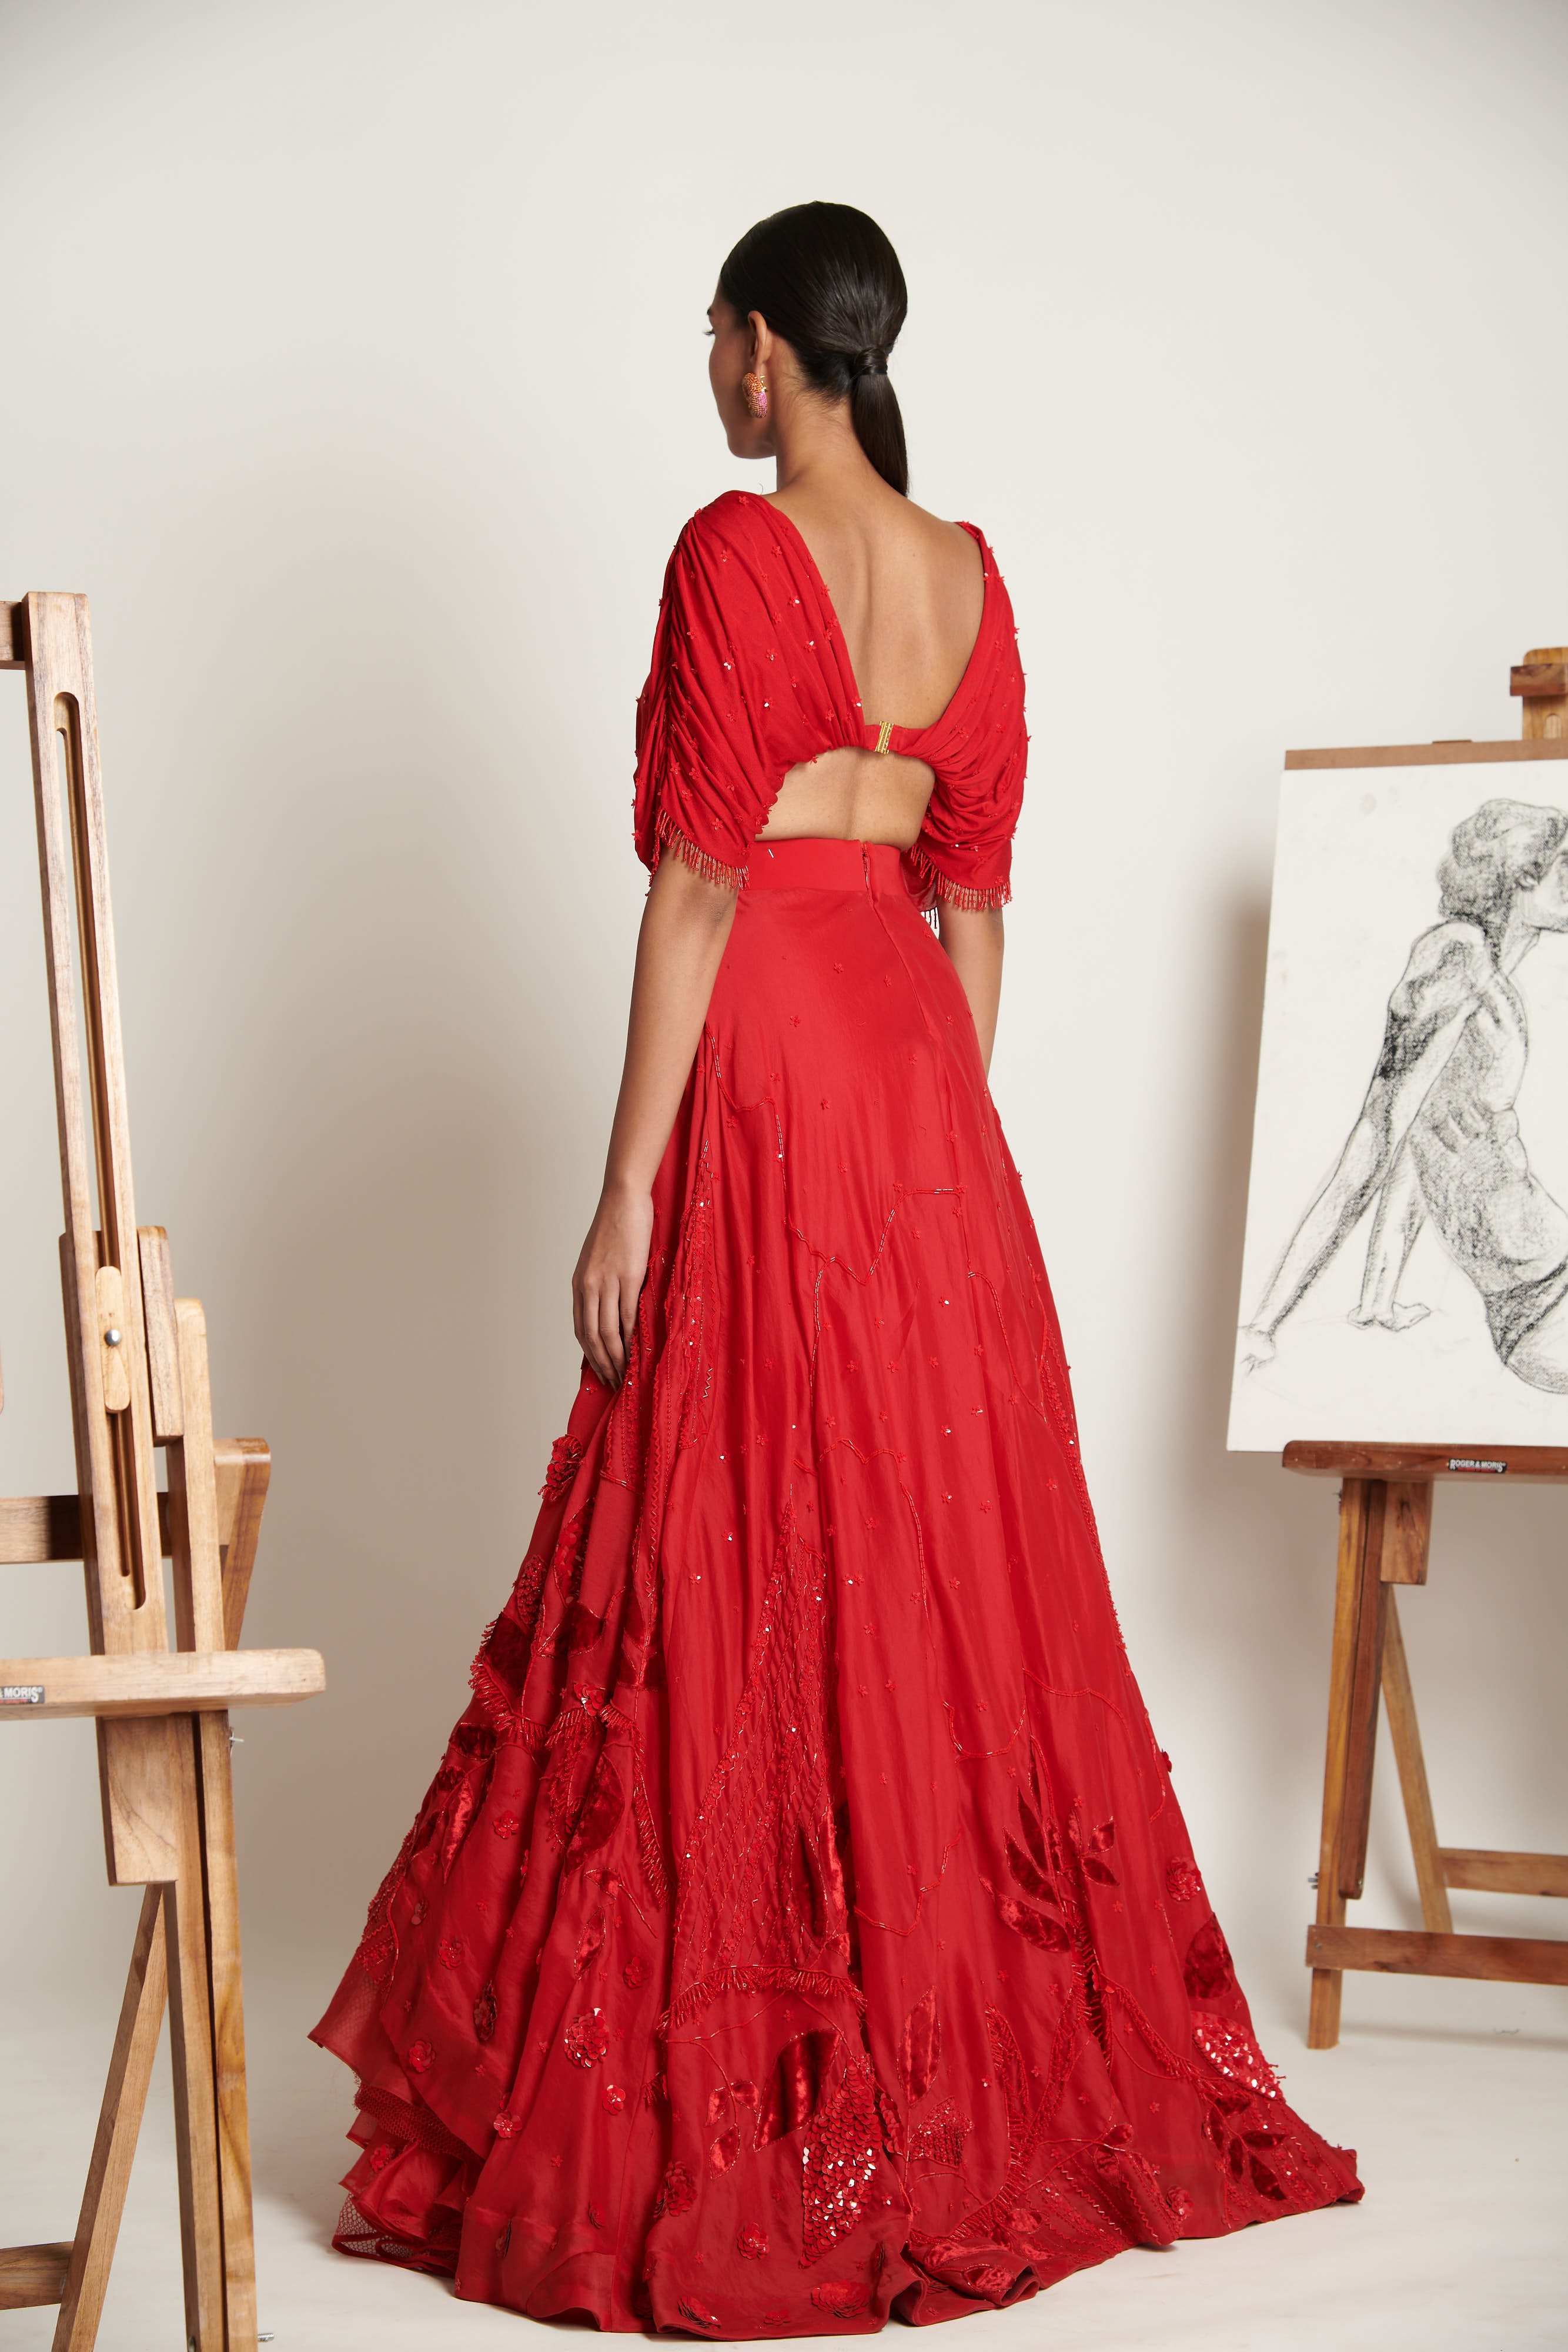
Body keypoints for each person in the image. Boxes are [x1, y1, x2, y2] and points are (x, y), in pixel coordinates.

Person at [311, 201, 1360, 2334]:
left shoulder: (736, 550)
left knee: (729, 1537)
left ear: (769, 351)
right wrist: (932, 1161)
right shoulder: (968, 571)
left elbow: (701, 886)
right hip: (919, 1094)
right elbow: (975, 906)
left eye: (714, 336)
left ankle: (758, 2096)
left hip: (777, 1055)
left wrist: (627, 1185)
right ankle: (923, 2060)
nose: (709, 371)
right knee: (912, 1562)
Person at [1240, 798, 1568, 1392]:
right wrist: (1264, 1324)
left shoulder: (1496, 967)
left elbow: (1423, 1143)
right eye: (1565, 867)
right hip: (1543, 1306)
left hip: (1545, 1278)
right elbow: (1375, 1139)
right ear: (1521, 874)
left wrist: (1378, 1297)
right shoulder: (1458, 956)